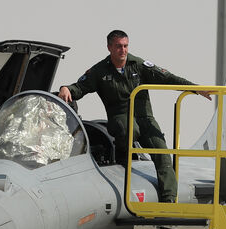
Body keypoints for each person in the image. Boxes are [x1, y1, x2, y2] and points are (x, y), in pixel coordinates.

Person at [58, 29, 211, 203]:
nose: (122, 50)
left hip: (145, 118)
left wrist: (195, 88)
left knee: (162, 153)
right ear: (109, 47)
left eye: (125, 46)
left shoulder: (137, 65)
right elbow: (80, 88)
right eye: (118, 47)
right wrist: (66, 88)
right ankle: (123, 153)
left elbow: (168, 78)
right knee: (129, 129)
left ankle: (169, 199)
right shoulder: (99, 71)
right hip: (120, 118)